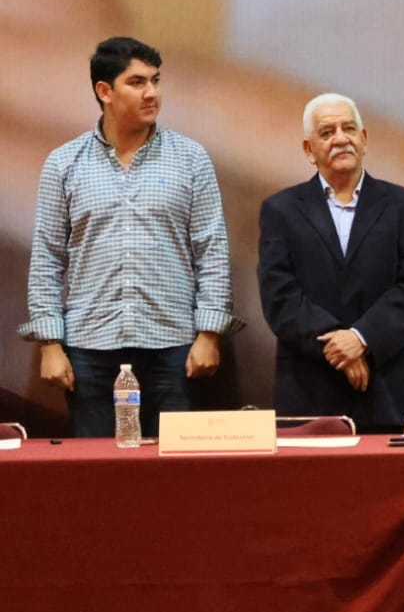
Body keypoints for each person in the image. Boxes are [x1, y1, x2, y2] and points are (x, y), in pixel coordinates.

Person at [18, 36, 240, 438]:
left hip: (173, 345)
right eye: (137, 82)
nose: (151, 93)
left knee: (172, 465)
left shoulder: (191, 159)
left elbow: (212, 251)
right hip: (90, 347)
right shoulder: (64, 164)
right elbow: (48, 257)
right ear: (105, 91)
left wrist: (209, 335)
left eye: (155, 80)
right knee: (97, 466)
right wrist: (50, 344)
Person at [256, 93, 404, 432]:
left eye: (348, 128)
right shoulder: (280, 210)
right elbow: (279, 295)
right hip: (308, 392)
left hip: (386, 390)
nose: (340, 139)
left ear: (363, 139)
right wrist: (338, 344)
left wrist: (362, 338)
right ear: (309, 149)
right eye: (327, 132)